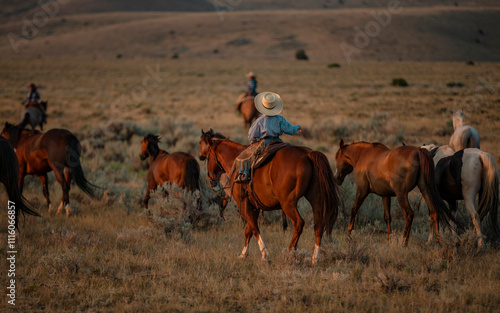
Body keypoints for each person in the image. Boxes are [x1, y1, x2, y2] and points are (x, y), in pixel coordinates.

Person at [234, 91, 301, 183]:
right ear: (275, 106)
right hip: (278, 141)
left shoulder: (260, 120)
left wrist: (253, 140)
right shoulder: (280, 119)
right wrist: (297, 127)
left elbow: (251, 135)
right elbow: (290, 130)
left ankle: (244, 174)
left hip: (264, 143)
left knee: (244, 156)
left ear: (263, 106)